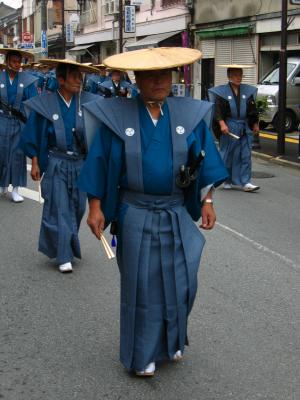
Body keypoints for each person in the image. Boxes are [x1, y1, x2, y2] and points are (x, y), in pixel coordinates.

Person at [77, 47, 228, 376]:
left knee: (183, 280)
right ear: (137, 79)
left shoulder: (189, 116)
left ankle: (172, 341)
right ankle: (142, 353)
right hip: (136, 211)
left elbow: (203, 159)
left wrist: (207, 201)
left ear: (174, 77)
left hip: (175, 211)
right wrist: (95, 207)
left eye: (165, 74)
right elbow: (99, 163)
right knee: (142, 285)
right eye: (150, 75)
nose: (159, 81)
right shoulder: (118, 117)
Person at [19, 59, 99, 273]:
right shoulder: (45, 103)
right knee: (60, 207)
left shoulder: (87, 102)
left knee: (77, 207)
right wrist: (35, 161)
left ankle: (67, 245)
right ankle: (64, 254)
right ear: (61, 79)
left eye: (80, 76)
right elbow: (34, 133)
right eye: (73, 76)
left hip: (80, 163)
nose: (79, 80)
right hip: (56, 161)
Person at [208, 64, 260, 192]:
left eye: (240, 75)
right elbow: (218, 111)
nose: (238, 77)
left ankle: (246, 181)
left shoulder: (247, 91)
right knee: (228, 153)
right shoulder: (222, 92)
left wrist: (255, 123)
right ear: (229, 76)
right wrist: (222, 124)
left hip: (245, 125)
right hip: (230, 125)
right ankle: (226, 179)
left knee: (246, 154)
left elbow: (252, 109)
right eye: (235, 75)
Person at [0, 49, 38, 202]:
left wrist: (33, 122)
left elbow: (33, 103)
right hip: (1, 120)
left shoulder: (28, 80)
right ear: (7, 61)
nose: (17, 65)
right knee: (1, 153)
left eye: (19, 62)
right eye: (14, 61)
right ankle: (2, 184)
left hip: (18, 122)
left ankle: (15, 189)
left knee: (17, 156)